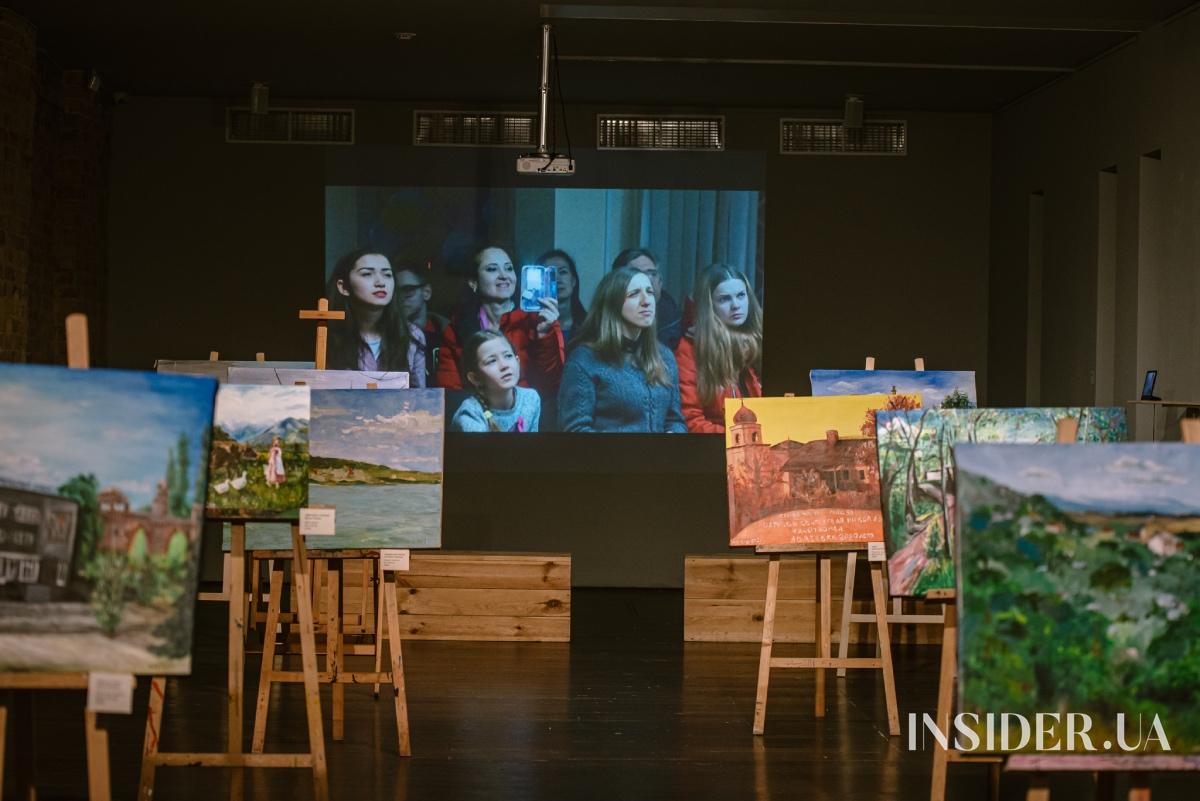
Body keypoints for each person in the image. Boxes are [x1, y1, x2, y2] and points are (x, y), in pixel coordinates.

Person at [557, 266, 686, 433]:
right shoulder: (584, 359)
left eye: (650, 292)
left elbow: (675, 420)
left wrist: (673, 436)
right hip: (608, 458)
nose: (646, 301)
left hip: (659, 458)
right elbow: (575, 430)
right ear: (612, 304)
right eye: (634, 294)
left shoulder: (664, 356)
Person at [436, 245, 564, 398]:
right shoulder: (457, 328)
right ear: (473, 282)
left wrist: (544, 335)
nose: (504, 275)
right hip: (477, 415)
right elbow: (450, 392)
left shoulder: (539, 320)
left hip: (528, 415)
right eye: (492, 269)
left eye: (509, 268)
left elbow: (551, 383)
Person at [674, 264, 763, 433]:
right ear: (710, 305)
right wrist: (740, 437)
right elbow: (691, 419)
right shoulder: (690, 348)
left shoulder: (758, 340)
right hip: (718, 443)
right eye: (724, 299)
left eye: (741, 295)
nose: (736, 305)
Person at [326, 247, 426, 386]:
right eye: (367, 274)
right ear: (343, 287)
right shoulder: (326, 335)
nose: (380, 282)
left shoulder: (412, 335)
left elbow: (420, 396)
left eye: (387, 275)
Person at [451, 330, 541, 432]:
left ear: (517, 361)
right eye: (491, 361)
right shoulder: (470, 415)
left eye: (508, 356)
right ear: (475, 378)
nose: (504, 365)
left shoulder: (531, 398)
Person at [612, 247, 682, 351]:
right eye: (638, 274)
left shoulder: (678, 325)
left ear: (660, 281)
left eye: (653, 274)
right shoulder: (605, 324)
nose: (648, 279)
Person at [395, 267, 449, 386]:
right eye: (396, 292)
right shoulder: (390, 336)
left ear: (426, 292)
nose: (400, 297)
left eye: (408, 290)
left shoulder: (448, 334)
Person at [537, 248, 587, 343]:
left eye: (563, 272)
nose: (557, 279)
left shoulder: (590, 325)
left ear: (573, 281)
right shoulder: (533, 327)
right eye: (551, 274)